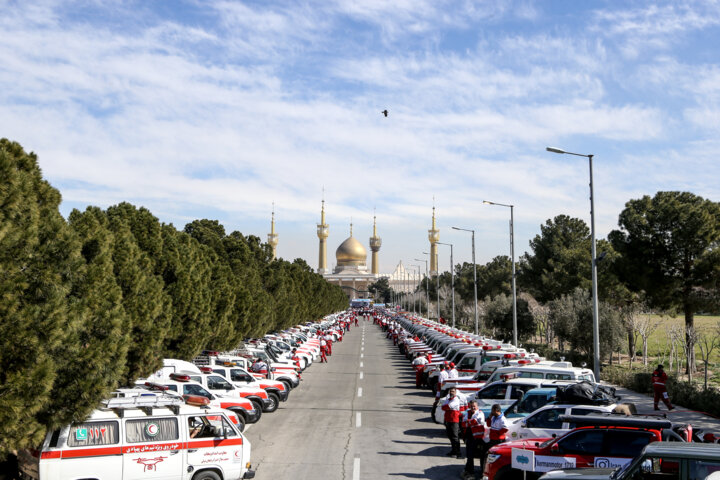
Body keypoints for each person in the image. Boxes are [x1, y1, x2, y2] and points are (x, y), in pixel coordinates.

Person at [461, 400, 485, 479]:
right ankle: (469, 470)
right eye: (471, 406)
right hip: (469, 436)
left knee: (477, 455)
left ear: (477, 406)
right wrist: (469, 422)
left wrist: (468, 422)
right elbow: (463, 423)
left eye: (474, 406)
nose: (473, 408)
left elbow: (474, 422)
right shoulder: (467, 413)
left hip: (477, 438)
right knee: (469, 454)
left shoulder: (480, 413)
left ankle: (479, 472)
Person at [441, 387, 462, 458]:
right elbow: (443, 407)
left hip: (454, 420)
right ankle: (453, 450)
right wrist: (446, 407)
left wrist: (446, 407)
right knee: (450, 435)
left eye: (453, 391)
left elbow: (449, 406)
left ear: (455, 392)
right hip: (448, 419)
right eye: (450, 391)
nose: (451, 393)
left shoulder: (456, 399)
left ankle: (458, 452)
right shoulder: (448, 399)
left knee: (455, 436)